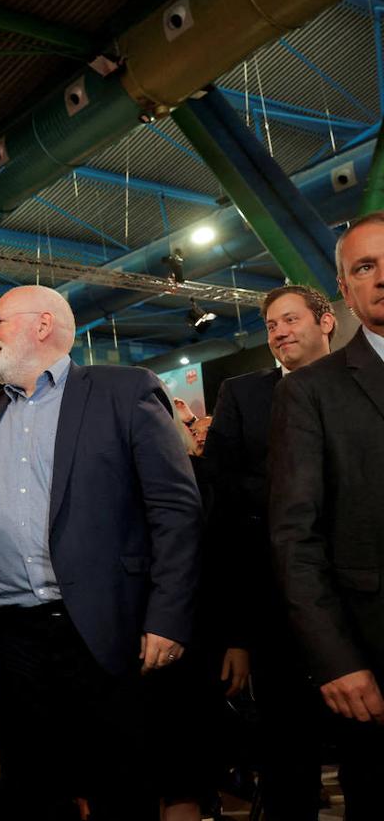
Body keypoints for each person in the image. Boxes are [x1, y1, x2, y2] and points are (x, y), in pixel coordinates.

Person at [0, 284, 201, 820]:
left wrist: (168, 615)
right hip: (14, 637)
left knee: (122, 790)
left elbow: (176, 510)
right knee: (31, 791)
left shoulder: (124, 390)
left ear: (43, 325)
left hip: (106, 632)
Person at [205, 283, 336, 819]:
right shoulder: (243, 394)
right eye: (271, 325)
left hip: (356, 594)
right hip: (273, 599)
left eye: (289, 320)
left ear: (325, 321)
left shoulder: (360, 384)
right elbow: (220, 500)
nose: (279, 332)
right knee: (287, 750)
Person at [270, 212, 384, 819]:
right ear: (345, 290)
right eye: (365, 267)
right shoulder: (311, 390)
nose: (382, 277)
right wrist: (336, 660)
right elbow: (296, 538)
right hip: (373, 664)